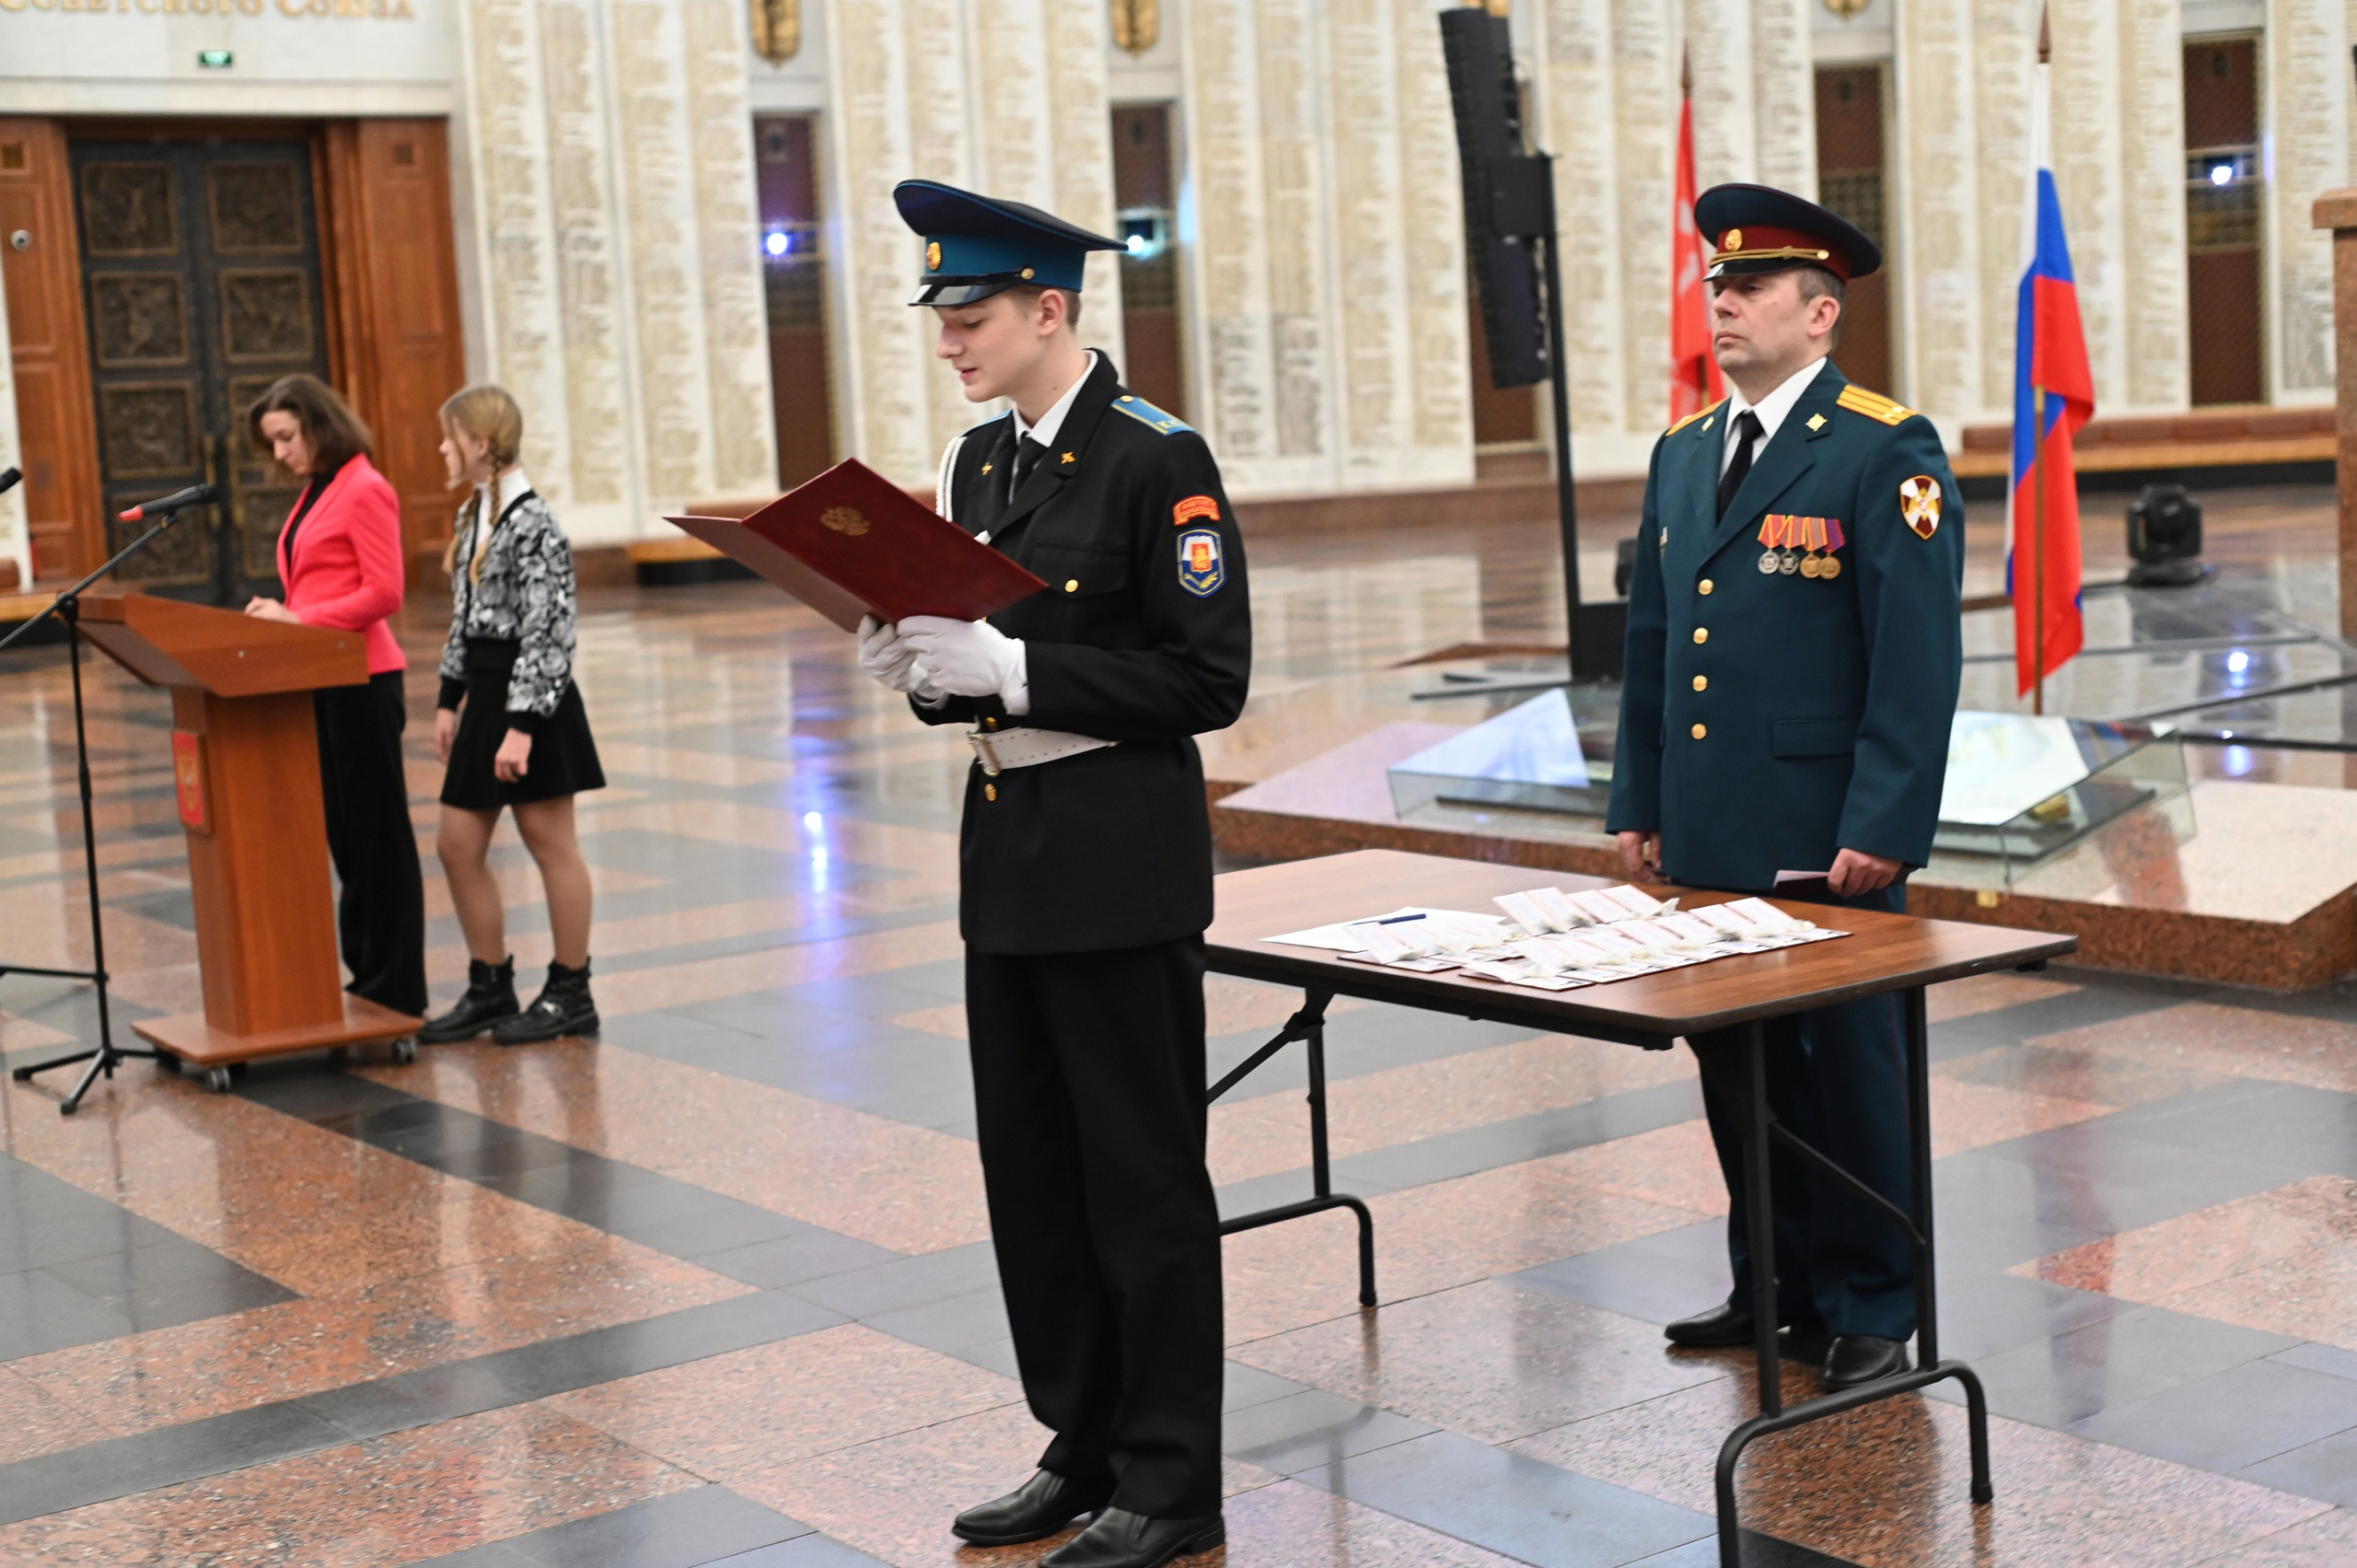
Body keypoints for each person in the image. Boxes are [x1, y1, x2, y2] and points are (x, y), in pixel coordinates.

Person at [853, 180, 1248, 1568]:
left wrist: (1013, 668)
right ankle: (1079, 1441)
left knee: (1141, 1178)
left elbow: (1208, 676)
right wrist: (923, 671)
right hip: (1010, 858)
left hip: (1119, 864)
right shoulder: (979, 466)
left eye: (971, 316)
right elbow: (970, 663)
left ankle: (1172, 1475)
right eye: (943, 317)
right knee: (1036, 1175)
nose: (949, 338)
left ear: (1050, 309)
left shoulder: (1159, 460)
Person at [1605, 184, 1964, 1392]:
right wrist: (1639, 800)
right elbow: (1656, 638)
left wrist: (1884, 820)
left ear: (1820, 314)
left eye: (1749, 287)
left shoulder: (1881, 444)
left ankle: (1874, 1301)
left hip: (1826, 831)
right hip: (1711, 822)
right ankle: (1778, 1279)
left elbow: (1913, 655)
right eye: (1718, 284)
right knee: (1738, 1062)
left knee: (1846, 1068)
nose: (1723, 301)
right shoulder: (1685, 450)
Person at [417, 385, 605, 1046]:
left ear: (480, 442)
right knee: (456, 846)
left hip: (533, 703)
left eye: (449, 436)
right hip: (487, 694)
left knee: (550, 844)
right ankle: (491, 985)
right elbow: (466, 619)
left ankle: (570, 989)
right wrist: (449, 699)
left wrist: (522, 726)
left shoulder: (535, 523)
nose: (441, 447)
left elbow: (550, 631)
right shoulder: (477, 516)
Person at [244, 374, 428, 1020]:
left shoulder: (365, 487)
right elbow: (319, 583)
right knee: (347, 836)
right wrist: (286, 614)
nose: (281, 454)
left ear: (319, 424)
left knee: (377, 834)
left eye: (287, 437)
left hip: (365, 679)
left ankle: (397, 985)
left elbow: (385, 593)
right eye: (274, 442)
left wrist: (298, 619)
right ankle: (368, 975)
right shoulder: (318, 491)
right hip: (324, 678)